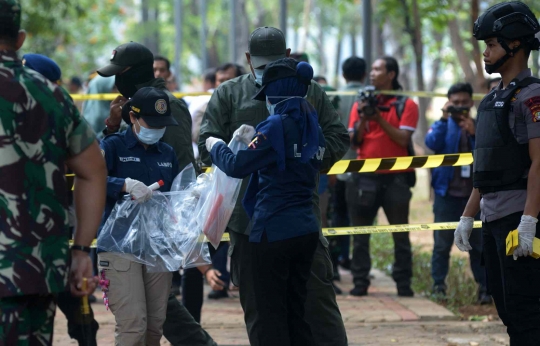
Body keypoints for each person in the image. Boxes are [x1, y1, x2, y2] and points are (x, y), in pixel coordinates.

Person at [199, 26, 349, 346]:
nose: (266, 73)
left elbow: (338, 139)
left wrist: (301, 159)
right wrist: (229, 145)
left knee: (315, 305)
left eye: (274, 64)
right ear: (248, 60)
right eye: (261, 64)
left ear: (289, 56)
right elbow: (204, 142)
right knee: (262, 310)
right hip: (248, 222)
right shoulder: (228, 93)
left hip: (299, 214)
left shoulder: (310, 92)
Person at [0, 1, 106, 344]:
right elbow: (93, 171)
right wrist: (80, 250)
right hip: (35, 268)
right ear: (19, 39)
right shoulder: (53, 95)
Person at [99, 44, 219, 345]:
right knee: (136, 322)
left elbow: (180, 175)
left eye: (120, 74)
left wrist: (183, 223)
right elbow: (98, 174)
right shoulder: (120, 128)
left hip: (159, 235)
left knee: (155, 321)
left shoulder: (166, 109)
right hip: (121, 240)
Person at [454, 2, 540, 344]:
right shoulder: (492, 100)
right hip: (492, 221)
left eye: (491, 45)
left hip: (518, 219)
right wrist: (467, 216)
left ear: (515, 45)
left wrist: (529, 221)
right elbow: (486, 168)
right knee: (506, 309)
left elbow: (539, 163)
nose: (486, 54)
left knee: (526, 313)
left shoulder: (532, 97)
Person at [21, 52, 102, 345]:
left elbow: (87, 168)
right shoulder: (58, 108)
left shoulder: (58, 110)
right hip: (45, 231)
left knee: (74, 305)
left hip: (53, 227)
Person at [97, 87, 181, 345]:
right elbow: (91, 180)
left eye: (161, 124)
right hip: (119, 246)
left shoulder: (167, 153)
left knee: (154, 327)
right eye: (150, 123)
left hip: (157, 247)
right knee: (133, 326)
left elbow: (174, 196)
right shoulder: (112, 146)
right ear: (132, 118)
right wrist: (122, 185)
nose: (156, 129)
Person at [348, 56, 418, 297]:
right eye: (372, 69)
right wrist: (364, 119)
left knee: (400, 234)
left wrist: (378, 118)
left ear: (391, 74)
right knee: (359, 234)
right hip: (365, 176)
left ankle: (403, 283)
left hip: (397, 177)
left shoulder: (406, 104)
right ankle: (359, 282)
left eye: (378, 69)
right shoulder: (361, 104)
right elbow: (354, 141)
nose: (372, 73)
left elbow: (403, 139)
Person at [425, 83, 491, 304]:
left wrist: (474, 133)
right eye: (455, 103)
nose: (460, 107)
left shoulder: (481, 124)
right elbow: (431, 143)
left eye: (464, 103)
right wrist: (444, 119)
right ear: (448, 103)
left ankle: (485, 289)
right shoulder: (442, 125)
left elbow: (488, 152)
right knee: (441, 244)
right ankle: (438, 286)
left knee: (479, 246)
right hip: (446, 196)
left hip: (475, 197)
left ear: (472, 103)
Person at [332, 56, 367, 274]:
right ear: (364, 74)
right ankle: (355, 261)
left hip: (338, 165)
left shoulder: (335, 96)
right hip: (365, 164)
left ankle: (335, 262)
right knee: (362, 217)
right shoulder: (368, 96)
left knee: (338, 215)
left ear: (343, 75)